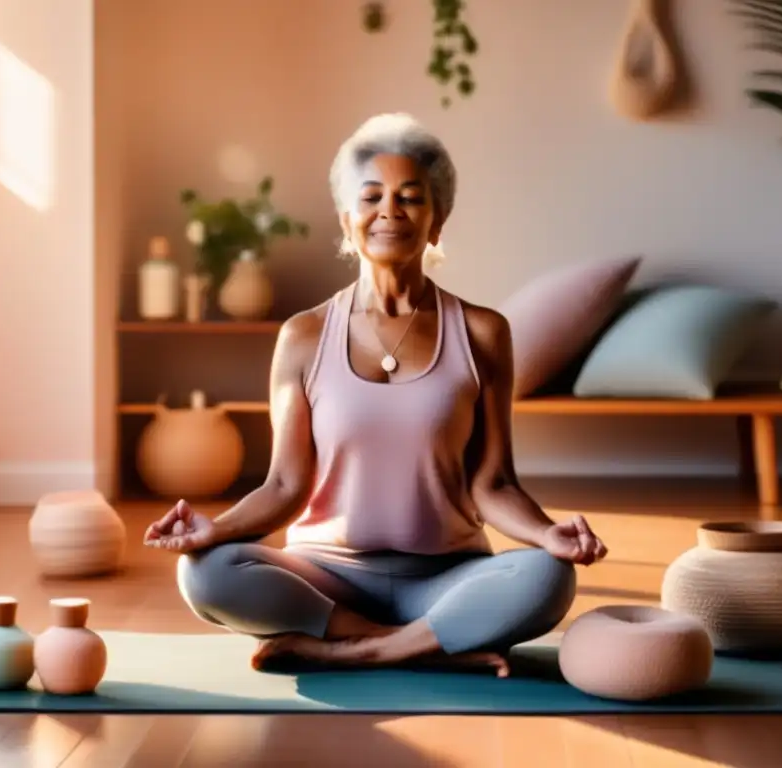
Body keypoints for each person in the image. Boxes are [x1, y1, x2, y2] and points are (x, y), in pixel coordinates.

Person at [144, 113, 608, 676]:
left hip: (446, 577)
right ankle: (419, 646)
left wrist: (546, 532)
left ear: (436, 223)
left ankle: (357, 651)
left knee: (548, 576)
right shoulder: (304, 336)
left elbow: (495, 482)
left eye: (411, 197)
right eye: (372, 197)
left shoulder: (484, 332)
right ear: (348, 221)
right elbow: (285, 484)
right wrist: (216, 530)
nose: (390, 210)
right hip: (326, 581)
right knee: (203, 572)